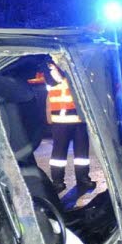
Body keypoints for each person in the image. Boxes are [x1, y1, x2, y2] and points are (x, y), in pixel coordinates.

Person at [45, 62, 93, 192]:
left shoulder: (72, 65)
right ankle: (57, 182)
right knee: (58, 155)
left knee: (81, 155)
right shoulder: (51, 69)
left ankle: (83, 179)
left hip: (79, 119)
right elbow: (57, 80)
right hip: (61, 120)